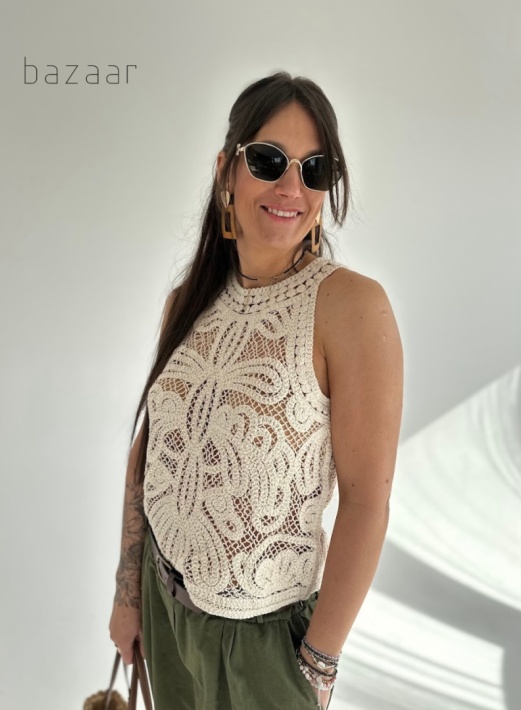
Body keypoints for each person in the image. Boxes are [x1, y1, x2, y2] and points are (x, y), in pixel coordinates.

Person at [109, 71, 403, 710]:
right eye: (268, 160)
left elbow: (365, 502)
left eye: (315, 169)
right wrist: (128, 596)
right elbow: (151, 449)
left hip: (264, 648)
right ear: (227, 170)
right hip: (164, 609)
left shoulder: (351, 308)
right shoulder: (186, 304)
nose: (291, 187)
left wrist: (316, 666)